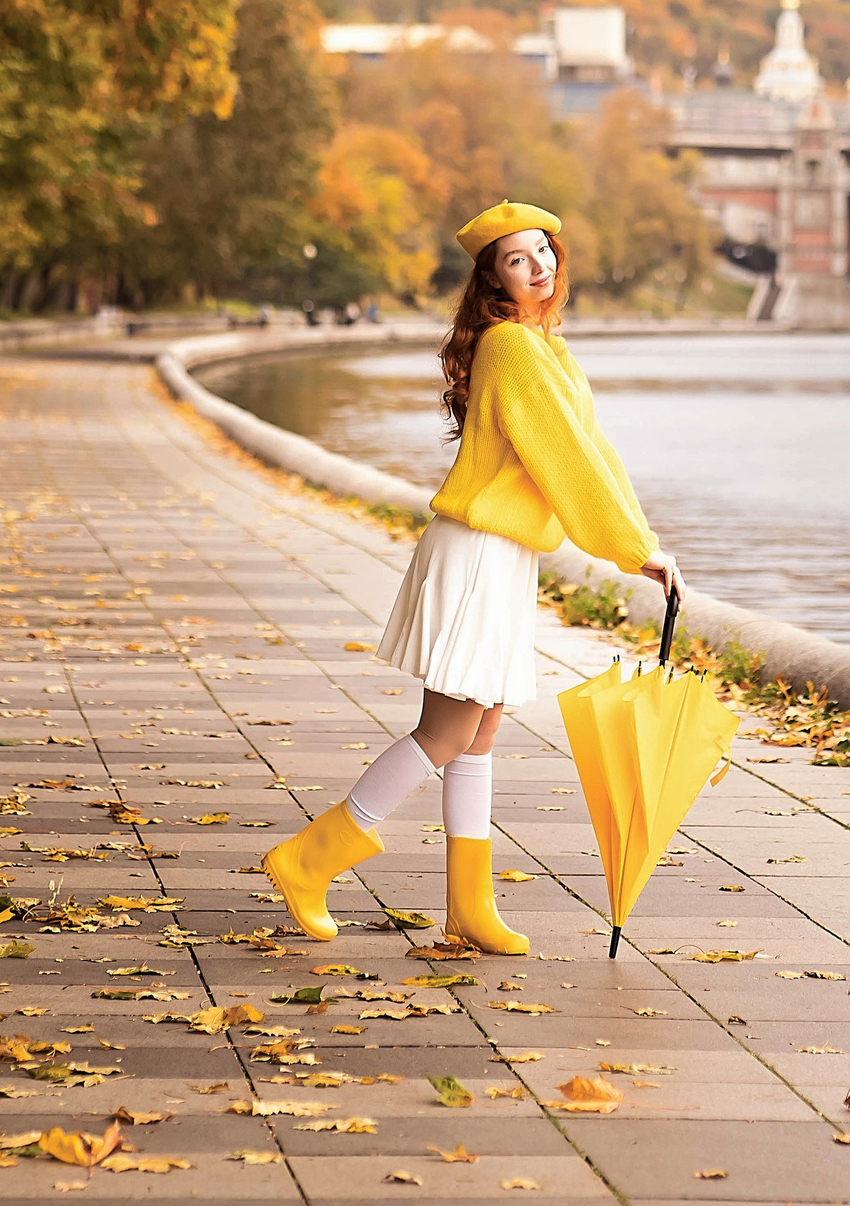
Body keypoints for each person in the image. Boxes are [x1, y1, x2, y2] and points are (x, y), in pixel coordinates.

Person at [260, 200, 682, 954]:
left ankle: (469, 905)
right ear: (493, 279)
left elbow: (595, 452)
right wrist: (633, 550)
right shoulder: (514, 348)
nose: (540, 266)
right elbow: (571, 465)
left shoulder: (545, 347)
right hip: (479, 550)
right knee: (448, 731)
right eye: (519, 260)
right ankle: (308, 859)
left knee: (481, 733)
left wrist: (640, 540)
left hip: (504, 554)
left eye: (544, 251)